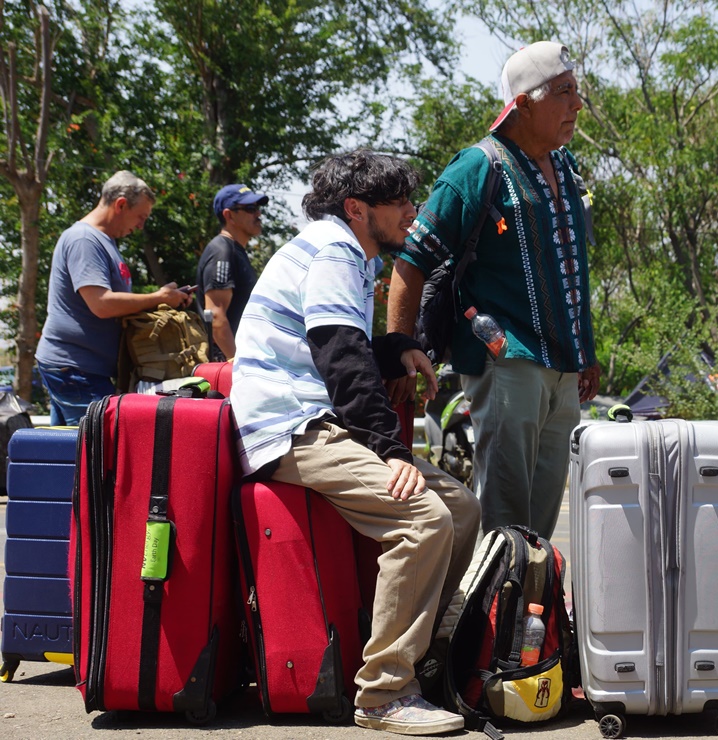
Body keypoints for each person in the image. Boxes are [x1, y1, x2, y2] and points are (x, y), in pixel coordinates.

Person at [230, 150, 480, 736]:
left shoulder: (339, 250)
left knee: (463, 509)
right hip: (290, 427)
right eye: (399, 203)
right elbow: (339, 356)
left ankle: (430, 657)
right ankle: (385, 693)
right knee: (424, 518)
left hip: (318, 419)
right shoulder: (335, 249)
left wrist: (395, 349)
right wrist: (391, 452)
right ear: (356, 208)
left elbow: (345, 342)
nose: (412, 213)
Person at [387, 41, 600, 539]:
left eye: (576, 90)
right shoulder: (478, 167)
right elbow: (411, 260)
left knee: (543, 517)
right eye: (565, 92)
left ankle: (532, 608)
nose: (577, 104)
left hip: (563, 366)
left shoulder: (565, 169)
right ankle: (493, 613)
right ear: (524, 102)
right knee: (505, 513)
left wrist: (585, 350)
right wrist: (399, 348)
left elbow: (573, 267)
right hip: (506, 361)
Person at [35, 171, 192, 425]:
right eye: (140, 217)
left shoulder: (103, 241)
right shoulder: (85, 239)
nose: (141, 225)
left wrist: (165, 298)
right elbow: (101, 304)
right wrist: (158, 297)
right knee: (101, 450)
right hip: (75, 368)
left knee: (68, 455)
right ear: (120, 204)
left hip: (78, 368)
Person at [195, 184, 268, 361]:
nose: (258, 214)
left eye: (257, 208)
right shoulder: (222, 251)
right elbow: (216, 316)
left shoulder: (235, 251)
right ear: (229, 215)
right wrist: (238, 364)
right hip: (226, 363)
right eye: (250, 209)